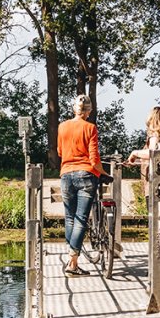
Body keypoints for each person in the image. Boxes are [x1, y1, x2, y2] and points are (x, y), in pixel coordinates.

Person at [125, 105, 160, 279]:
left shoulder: (154, 136)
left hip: (158, 187)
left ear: (153, 120)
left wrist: (134, 153)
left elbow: (153, 152)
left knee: (159, 228)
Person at [57, 94, 104, 276]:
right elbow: (93, 158)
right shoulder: (90, 128)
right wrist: (103, 173)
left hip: (66, 175)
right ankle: (73, 262)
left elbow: (60, 151)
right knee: (81, 218)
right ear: (89, 111)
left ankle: (72, 259)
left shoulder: (62, 127)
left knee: (70, 217)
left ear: (73, 109)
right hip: (86, 174)